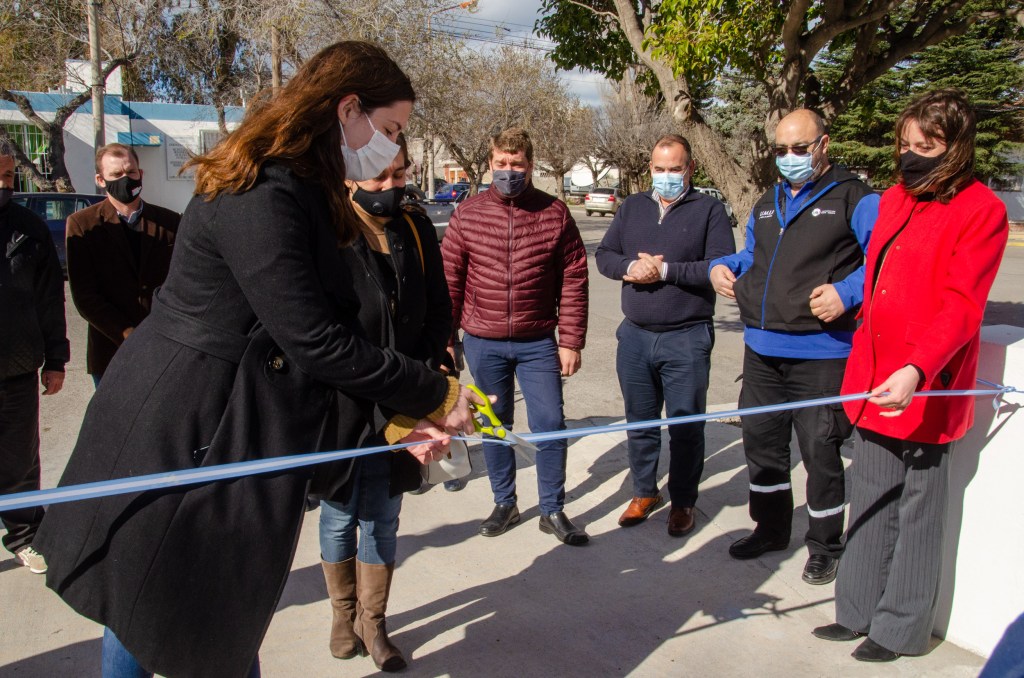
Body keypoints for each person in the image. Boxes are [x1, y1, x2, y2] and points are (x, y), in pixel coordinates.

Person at [32, 41, 478, 678]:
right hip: (184, 422)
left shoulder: (306, 188)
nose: (390, 146)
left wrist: (395, 422)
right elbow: (313, 339)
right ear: (347, 109)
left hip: (230, 420)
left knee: (199, 614)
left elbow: (332, 333)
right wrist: (430, 393)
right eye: (389, 129)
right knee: (149, 604)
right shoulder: (263, 188)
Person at [812, 89, 1008, 662]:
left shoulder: (982, 211)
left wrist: (917, 367)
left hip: (925, 385)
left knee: (918, 512)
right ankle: (855, 611)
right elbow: (873, 282)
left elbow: (961, 306)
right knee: (870, 497)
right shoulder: (894, 200)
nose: (911, 156)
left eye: (927, 146)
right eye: (905, 144)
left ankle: (899, 630)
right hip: (874, 380)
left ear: (957, 148)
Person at [709, 109, 878, 584]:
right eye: (781, 150)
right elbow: (752, 256)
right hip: (762, 351)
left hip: (823, 352)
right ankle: (771, 526)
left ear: (825, 145)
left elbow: (884, 261)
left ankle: (825, 543)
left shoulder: (856, 198)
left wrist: (847, 293)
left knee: (820, 452)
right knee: (762, 445)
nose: (789, 159)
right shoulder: (767, 202)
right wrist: (722, 266)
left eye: (800, 149)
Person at [317, 134, 453, 672]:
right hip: (343, 399)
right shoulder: (326, 229)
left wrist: (424, 381)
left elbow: (439, 308)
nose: (392, 188)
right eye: (381, 178)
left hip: (401, 398)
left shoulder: (416, 227)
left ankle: (375, 623)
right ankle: (340, 615)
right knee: (337, 512)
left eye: (399, 176)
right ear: (351, 175)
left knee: (383, 513)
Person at [442, 127, 590, 546]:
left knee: (549, 424)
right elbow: (449, 280)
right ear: (491, 163)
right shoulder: (467, 214)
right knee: (493, 425)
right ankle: (504, 502)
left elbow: (574, 277)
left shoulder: (554, 212)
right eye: (502, 164)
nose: (509, 171)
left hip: (538, 341)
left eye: (518, 164)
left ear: (530, 163)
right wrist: (445, 339)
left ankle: (552, 508)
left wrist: (571, 339)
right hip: (482, 340)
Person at [595, 135, 734, 536]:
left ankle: (684, 501)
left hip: (686, 338)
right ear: (650, 168)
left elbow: (720, 266)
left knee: (686, 426)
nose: (667, 176)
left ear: (691, 169)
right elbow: (604, 255)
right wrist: (628, 269)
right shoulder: (633, 207)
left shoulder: (709, 210)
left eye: (675, 169)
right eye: (660, 169)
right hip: (635, 337)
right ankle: (644, 492)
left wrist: (666, 270)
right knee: (639, 422)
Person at [0, 139, 68, 575]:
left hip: (17, 370)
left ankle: (25, 535)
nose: (2, 184)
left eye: (7, 176)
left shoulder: (29, 228)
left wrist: (56, 359)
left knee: (20, 461)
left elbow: (49, 299)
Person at [66, 143, 180, 386]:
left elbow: (182, 283)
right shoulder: (83, 225)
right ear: (100, 179)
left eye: (130, 172)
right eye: (116, 175)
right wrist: (128, 335)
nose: (125, 179)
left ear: (141, 174)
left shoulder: (170, 222)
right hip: (111, 352)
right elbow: (85, 297)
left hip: (164, 348)